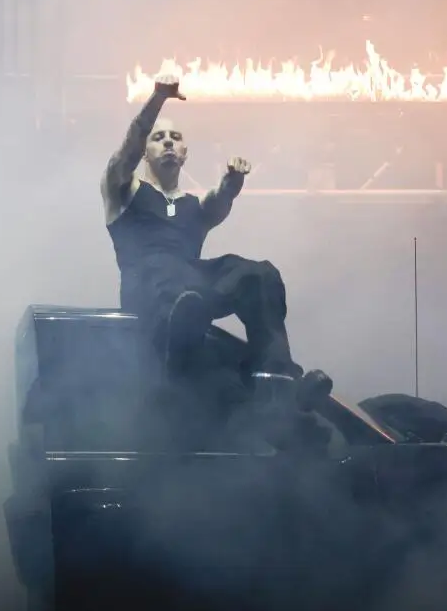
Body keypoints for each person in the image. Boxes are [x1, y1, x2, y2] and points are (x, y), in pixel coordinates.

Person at [100, 76, 300, 384]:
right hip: (148, 294)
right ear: (145, 151)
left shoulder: (192, 206)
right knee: (168, 276)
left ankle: (276, 376)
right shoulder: (123, 191)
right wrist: (158, 98)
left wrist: (231, 184)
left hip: (191, 289)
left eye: (175, 137)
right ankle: (176, 342)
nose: (167, 141)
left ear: (184, 152)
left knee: (258, 274)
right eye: (158, 137)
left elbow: (216, 203)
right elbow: (126, 150)